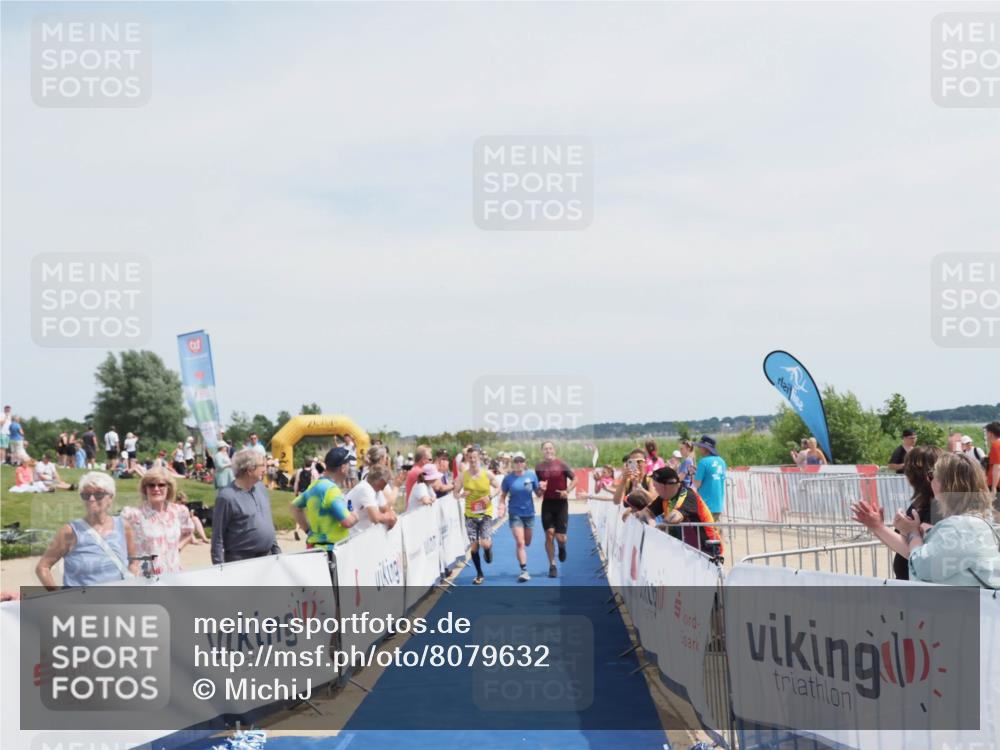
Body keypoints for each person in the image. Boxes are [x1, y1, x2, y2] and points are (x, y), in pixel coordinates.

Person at [903, 452, 1000, 588]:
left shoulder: (960, 527)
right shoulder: (980, 519)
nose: (929, 481)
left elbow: (923, 567)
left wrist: (913, 534)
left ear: (946, 484)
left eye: (931, 475)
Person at [851, 445, 943, 580]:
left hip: (919, 584)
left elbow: (921, 556)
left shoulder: (937, 507)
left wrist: (878, 527)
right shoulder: (921, 502)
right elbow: (901, 544)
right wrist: (875, 526)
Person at [36, 472, 141, 589]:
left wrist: (131, 578)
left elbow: (134, 560)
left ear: (111, 498)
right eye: (86, 495)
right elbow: (42, 567)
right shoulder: (70, 531)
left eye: (98, 494)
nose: (91, 499)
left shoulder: (123, 526)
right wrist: (58, 596)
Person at [210, 449, 282, 564]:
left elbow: (268, 523)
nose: (265, 469)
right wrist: (220, 569)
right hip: (241, 563)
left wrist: (277, 553)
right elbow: (217, 538)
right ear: (249, 470)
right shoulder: (226, 497)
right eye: (262, 465)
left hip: (267, 559)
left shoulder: (261, 488)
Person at [120, 468, 194, 575]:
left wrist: (178, 548)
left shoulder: (179, 511)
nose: (156, 488)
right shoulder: (133, 515)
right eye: (151, 485)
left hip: (173, 573)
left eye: (161, 485)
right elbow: (119, 543)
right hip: (146, 576)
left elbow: (189, 533)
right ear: (145, 489)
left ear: (168, 488)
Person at [636, 467, 724, 555]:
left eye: (655, 486)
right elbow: (645, 512)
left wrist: (659, 527)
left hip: (708, 549)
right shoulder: (664, 497)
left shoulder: (687, 495)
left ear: (664, 486)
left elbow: (675, 517)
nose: (654, 488)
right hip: (689, 550)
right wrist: (651, 522)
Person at [289, 447, 358, 551]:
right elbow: (347, 522)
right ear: (343, 468)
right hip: (331, 551)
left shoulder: (315, 485)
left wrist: (308, 531)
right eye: (349, 465)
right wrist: (355, 516)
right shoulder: (331, 490)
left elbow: (294, 507)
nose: (349, 469)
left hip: (315, 548)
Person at [455, 446, 499, 584]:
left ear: (479, 457)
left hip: (486, 513)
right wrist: (461, 495)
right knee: (474, 546)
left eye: (475, 457)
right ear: (467, 458)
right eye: (470, 457)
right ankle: (479, 574)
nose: (473, 460)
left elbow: (498, 487)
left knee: (485, 543)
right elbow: (455, 493)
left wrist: (490, 496)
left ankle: (488, 550)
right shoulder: (463, 476)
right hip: (470, 515)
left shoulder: (487, 474)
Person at [535, 440, 576, 578]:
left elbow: (575, 479)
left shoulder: (561, 464)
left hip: (561, 504)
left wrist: (567, 491)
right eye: (545, 448)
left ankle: (562, 547)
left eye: (550, 448)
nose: (548, 450)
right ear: (542, 451)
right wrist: (540, 490)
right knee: (549, 534)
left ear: (554, 450)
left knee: (561, 537)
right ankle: (552, 565)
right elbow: (537, 491)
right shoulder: (539, 467)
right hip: (547, 504)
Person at [500, 453, 539, 582]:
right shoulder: (508, 479)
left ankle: (524, 568)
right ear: (513, 463)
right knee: (520, 542)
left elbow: (538, 493)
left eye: (521, 461)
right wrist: (501, 506)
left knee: (527, 542)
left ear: (525, 462)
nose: (519, 463)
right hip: (515, 513)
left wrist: (543, 489)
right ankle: (524, 570)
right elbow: (503, 495)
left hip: (529, 513)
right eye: (516, 461)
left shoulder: (531, 476)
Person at [346, 463, 398, 536]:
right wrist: (390, 518)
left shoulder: (376, 489)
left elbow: (385, 509)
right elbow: (375, 518)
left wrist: (391, 515)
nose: (387, 484)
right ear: (381, 481)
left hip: (361, 534)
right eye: (387, 481)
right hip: (353, 535)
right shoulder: (365, 488)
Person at [693, 436, 727, 518]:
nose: (699, 448)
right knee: (714, 526)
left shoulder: (703, 462)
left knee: (703, 526)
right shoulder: (722, 461)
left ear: (706, 448)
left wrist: (693, 474)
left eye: (701, 446)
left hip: (705, 505)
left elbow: (697, 484)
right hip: (718, 505)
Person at [986, 422, 1000, 510]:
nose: (986, 435)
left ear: (990, 433)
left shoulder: (996, 445)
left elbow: (997, 467)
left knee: (996, 511)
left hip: (997, 484)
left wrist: (994, 488)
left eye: (986, 432)